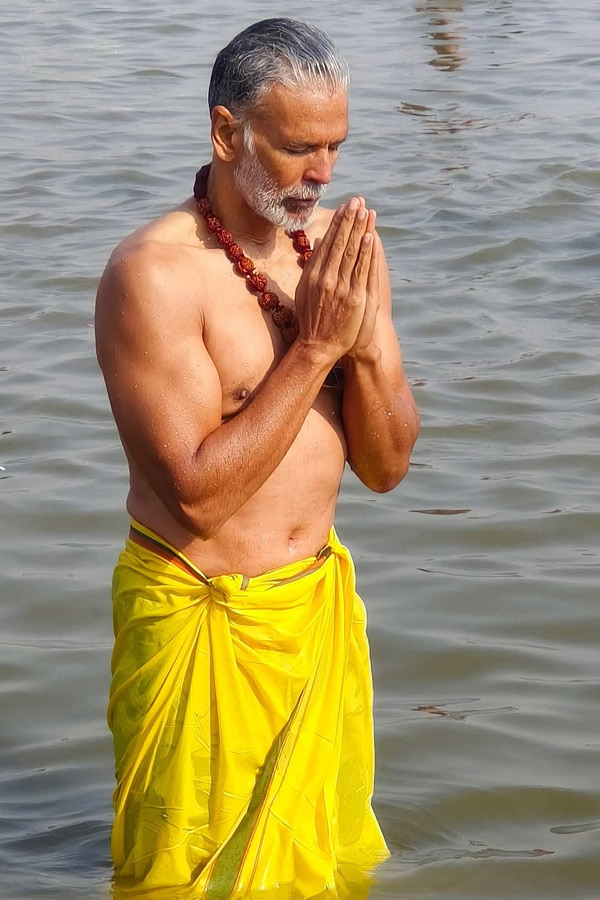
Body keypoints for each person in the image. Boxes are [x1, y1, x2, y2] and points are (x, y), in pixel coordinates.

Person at [95, 17, 419, 899]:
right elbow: (196, 497)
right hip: (200, 620)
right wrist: (314, 351)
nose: (325, 174)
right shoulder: (155, 276)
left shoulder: (346, 261)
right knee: (179, 880)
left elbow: (386, 470)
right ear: (227, 132)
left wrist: (358, 348)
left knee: (322, 874)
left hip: (312, 613)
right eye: (298, 148)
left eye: (336, 146)